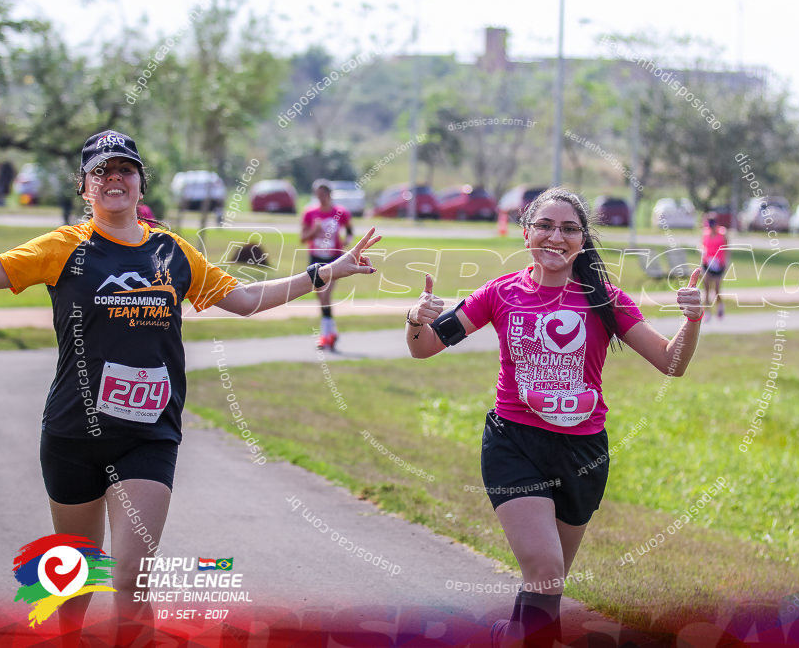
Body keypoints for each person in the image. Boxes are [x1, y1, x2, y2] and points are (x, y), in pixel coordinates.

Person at [0, 130, 380, 645]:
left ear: (140, 183)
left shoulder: (171, 252)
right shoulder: (62, 247)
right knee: (75, 578)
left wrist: (323, 272)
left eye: (124, 170)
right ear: (84, 186)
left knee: (130, 576)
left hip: (148, 434)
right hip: (73, 432)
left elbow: (244, 300)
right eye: (101, 172)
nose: (114, 180)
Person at [404, 188, 703, 647]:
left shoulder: (606, 299)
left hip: (583, 454)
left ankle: (510, 636)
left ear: (582, 240)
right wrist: (415, 319)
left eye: (569, 229)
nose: (555, 237)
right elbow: (424, 348)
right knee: (545, 571)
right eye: (545, 225)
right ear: (526, 234)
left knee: (548, 582)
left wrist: (692, 322)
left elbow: (671, 363)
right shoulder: (499, 293)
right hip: (514, 443)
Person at [301, 179, 353, 350]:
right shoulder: (310, 213)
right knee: (321, 297)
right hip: (315, 259)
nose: (320, 198)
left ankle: (324, 336)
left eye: (323, 195)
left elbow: (350, 230)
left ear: (329, 195)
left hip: (333, 259)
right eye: (318, 195)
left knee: (325, 296)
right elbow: (302, 238)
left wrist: (346, 242)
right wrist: (314, 231)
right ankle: (332, 333)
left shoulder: (340, 212)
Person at [700, 213, 729, 319]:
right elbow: (702, 245)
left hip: (718, 264)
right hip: (707, 263)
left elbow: (726, 249)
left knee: (716, 289)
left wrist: (725, 263)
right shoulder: (705, 234)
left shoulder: (722, 233)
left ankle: (720, 306)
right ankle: (707, 312)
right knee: (706, 288)